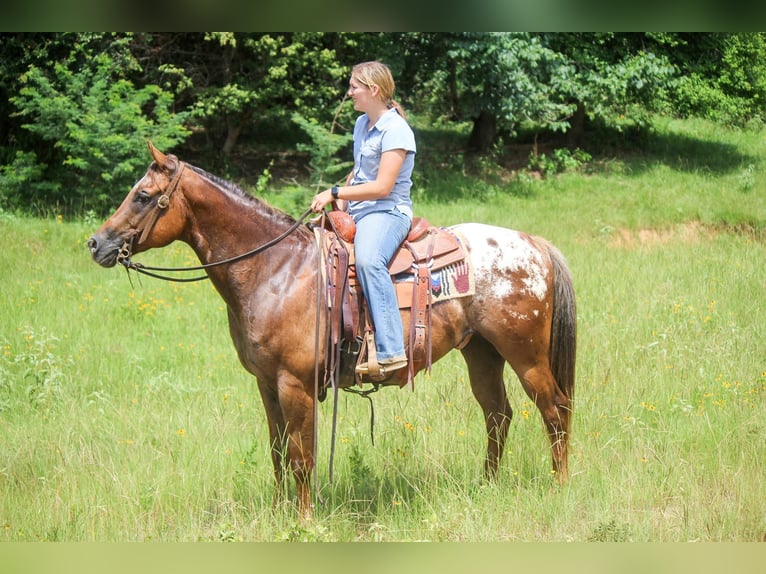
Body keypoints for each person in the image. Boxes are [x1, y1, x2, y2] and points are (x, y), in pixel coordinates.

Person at [311, 61, 416, 377]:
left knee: (370, 260)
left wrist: (334, 190)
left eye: (354, 86)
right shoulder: (361, 124)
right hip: (359, 210)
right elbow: (361, 171)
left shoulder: (396, 129)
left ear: (374, 90)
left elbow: (383, 187)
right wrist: (341, 198)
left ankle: (392, 350)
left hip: (387, 212)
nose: (349, 92)